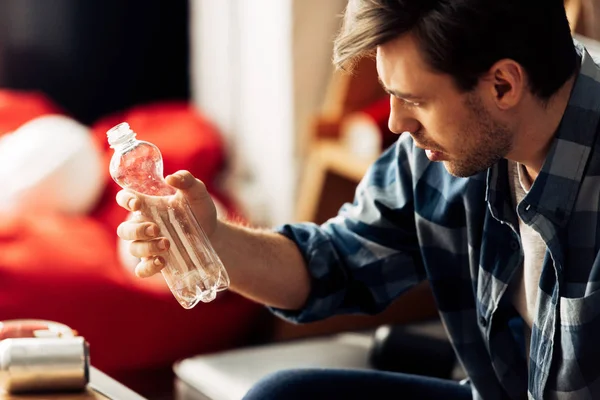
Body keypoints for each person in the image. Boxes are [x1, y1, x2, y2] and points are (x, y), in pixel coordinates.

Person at [114, 0, 600, 398]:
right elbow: (331, 265)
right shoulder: (440, 156)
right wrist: (212, 238)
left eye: (415, 99)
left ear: (503, 85)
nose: (395, 123)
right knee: (283, 396)